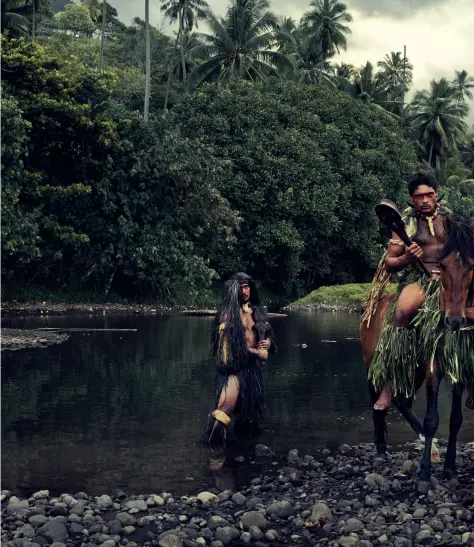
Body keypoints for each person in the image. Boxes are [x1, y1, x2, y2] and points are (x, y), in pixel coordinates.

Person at [367, 170, 473, 409]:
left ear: (436, 195)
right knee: (402, 310)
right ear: (411, 199)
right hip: (421, 280)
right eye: (418, 196)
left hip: (452, 280)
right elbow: (389, 263)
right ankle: (390, 383)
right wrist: (406, 257)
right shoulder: (403, 224)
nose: (425, 200)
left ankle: (471, 381)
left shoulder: (451, 220)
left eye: (429, 194)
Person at [201, 272, 276, 445]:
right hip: (234, 371)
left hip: (253, 372)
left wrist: (268, 344)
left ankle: (245, 456)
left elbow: (269, 335)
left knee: (249, 417)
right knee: (223, 411)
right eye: (241, 287)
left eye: (247, 287)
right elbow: (230, 348)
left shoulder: (258, 312)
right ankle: (211, 457)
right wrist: (258, 353)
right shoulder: (227, 315)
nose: (244, 291)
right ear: (234, 291)